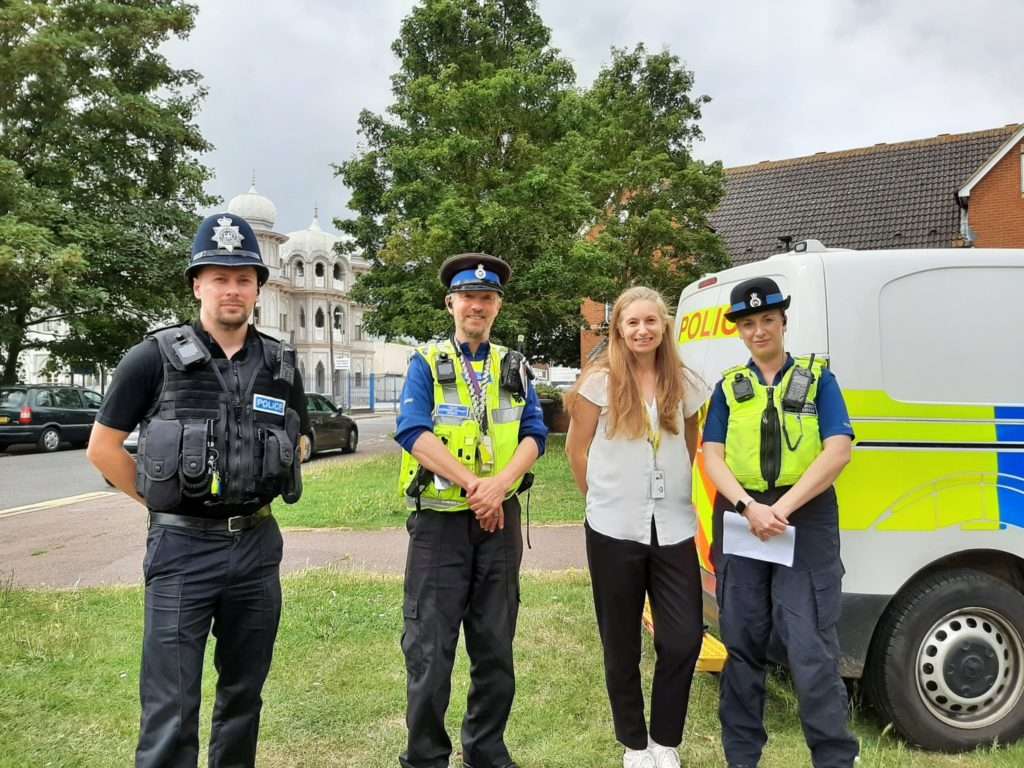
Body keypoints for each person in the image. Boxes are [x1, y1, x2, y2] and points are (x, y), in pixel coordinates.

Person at [87, 212, 308, 768]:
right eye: (219, 277)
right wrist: (159, 500)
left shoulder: (280, 363)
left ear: (258, 288)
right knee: (171, 704)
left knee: (242, 696)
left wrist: (283, 454)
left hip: (256, 549)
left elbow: (300, 434)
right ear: (197, 285)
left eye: (243, 279)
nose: (232, 289)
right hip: (181, 550)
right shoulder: (153, 357)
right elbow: (103, 448)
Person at [394, 252, 548, 768]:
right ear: (451, 303)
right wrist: (474, 488)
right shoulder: (425, 361)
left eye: (487, 298)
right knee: (430, 652)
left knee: (494, 648)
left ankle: (486, 750)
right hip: (440, 527)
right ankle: (426, 756)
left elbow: (535, 436)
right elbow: (412, 432)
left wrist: (499, 487)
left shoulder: (514, 365)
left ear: (497, 307)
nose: (477, 305)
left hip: (498, 526)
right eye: (468, 297)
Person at [700, 277, 859, 768]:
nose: (758, 330)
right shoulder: (729, 387)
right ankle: (742, 757)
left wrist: (782, 509)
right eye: (748, 324)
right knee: (742, 642)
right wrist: (750, 507)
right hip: (743, 515)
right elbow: (711, 456)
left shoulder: (819, 380)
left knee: (810, 644)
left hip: (803, 518)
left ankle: (834, 758)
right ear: (739, 332)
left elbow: (839, 449)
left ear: (783, 321)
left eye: (767, 319)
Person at [564, 286, 708, 768]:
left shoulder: (683, 382)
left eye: (652, 321)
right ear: (619, 330)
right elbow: (576, 449)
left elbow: (689, 445)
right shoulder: (598, 383)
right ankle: (635, 743)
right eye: (632, 323)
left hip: (672, 526)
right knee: (620, 641)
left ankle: (666, 740)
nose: (643, 330)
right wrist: (600, 498)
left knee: (684, 637)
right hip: (612, 528)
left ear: (663, 326)